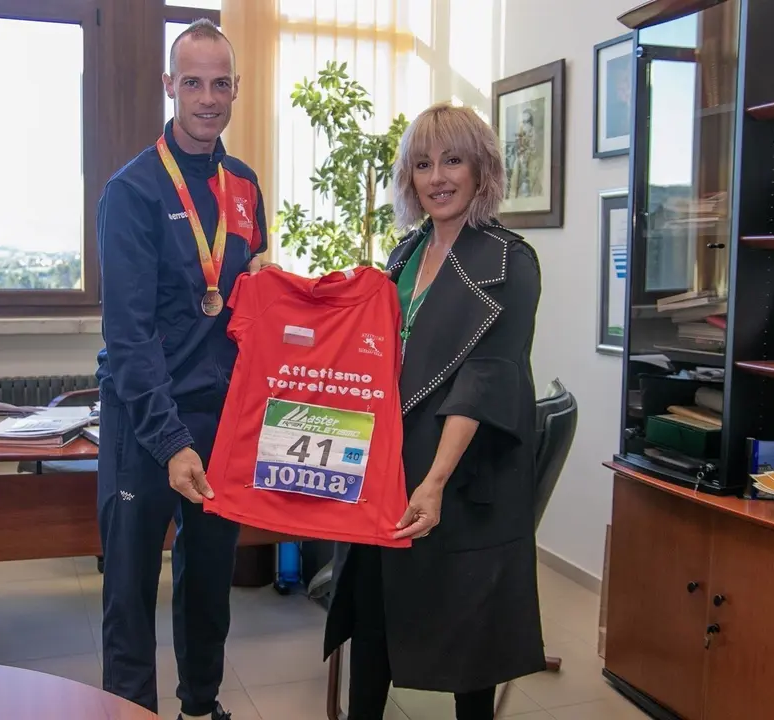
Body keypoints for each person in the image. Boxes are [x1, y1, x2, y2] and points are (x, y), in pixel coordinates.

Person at [323, 102, 545, 720]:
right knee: (372, 620)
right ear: (409, 179)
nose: (438, 177)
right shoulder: (401, 256)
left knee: (468, 647)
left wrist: (436, 480)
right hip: (388, 472)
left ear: (481, 169)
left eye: (453, 160)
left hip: (461, 477)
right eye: (423, 164)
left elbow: (485, 378)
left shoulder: (509, 260)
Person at [95, 18, 275, 720]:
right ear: (169, 86)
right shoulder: (132, 191)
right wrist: (171, 442)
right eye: (192, 82)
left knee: (206, 583)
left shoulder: (245, 186)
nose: (208, 97)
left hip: (222, 420)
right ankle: (130, 711)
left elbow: (244, 304)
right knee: (132, 590)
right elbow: (129, 336)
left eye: (220, 83)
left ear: (236, 89)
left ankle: (201, 706)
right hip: (147, 423)